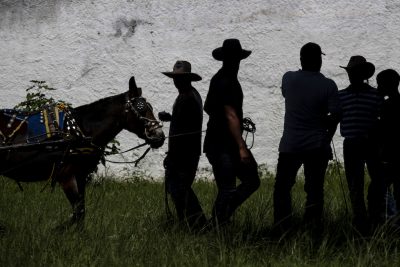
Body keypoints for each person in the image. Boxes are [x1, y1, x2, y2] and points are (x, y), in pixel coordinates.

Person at [273, 42, 340, 233]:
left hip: (290, 145)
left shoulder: (289, 78)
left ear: (301, 59)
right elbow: (335, 115)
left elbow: (287, 94)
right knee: (314, 190)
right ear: (319, 59)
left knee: (282, 188)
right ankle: (312, 228)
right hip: (317, 145)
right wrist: (326, 134)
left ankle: (282, 227)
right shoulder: (328, 84)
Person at [203, 39, 260, 226]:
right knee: (231, 187)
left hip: (218, 143)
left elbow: (209, 108)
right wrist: (241, 147)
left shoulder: (219, 78)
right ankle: (218, 223)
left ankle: (222, 218)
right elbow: (230, 114)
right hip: (224, 145)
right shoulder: (227, 81)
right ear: (237, 59)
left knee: (243, 183)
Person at [338, 55, 385, 233]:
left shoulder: (376, 95)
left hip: (372, 144)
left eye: (355, 72)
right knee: (354, 184)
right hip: (350, 144)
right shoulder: (340, 96)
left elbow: (382, 120)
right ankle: (360, 220)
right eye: (350, 72)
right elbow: (336, 118)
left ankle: (375, 217)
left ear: (364, 74)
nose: (352, 75)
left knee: (378, 181)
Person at [159, 60, 207, 230]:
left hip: (184, 154)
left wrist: (172, 155)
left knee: (179, 189)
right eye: (174, 78)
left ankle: (197, 224)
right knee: (179, 189)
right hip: (187, 152)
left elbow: (183, 132)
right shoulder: (190, 94)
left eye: (179, 78)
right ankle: (190, 223)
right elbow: (185, 122)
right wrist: (171, 118)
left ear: (187, 79)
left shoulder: (187, 98)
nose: (175, 81)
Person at [376, 69, 400, 218]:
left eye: (380, 85)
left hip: (389, 155)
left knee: (381, 191)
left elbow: (382, 131)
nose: (378, 88)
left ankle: (392, 222)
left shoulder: (386, 106)